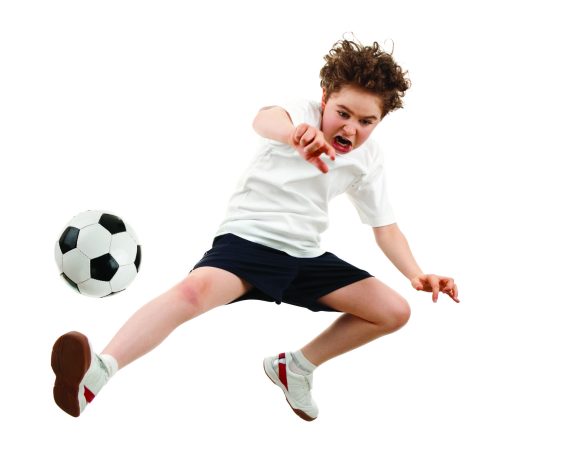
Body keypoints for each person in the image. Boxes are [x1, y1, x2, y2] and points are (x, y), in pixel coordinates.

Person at [51, 39, 460, 422]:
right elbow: (263, 119)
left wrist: (416, 273)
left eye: (366, 121)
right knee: (191, 294)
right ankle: (97, 374)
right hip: (249, 242)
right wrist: (293, 135)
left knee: (393, 311)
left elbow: (385, 227)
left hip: (304, 256)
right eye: (343, 113)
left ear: (380, 120)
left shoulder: (368, 158)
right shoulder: (300, 116)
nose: (351, 129)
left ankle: (295, 367)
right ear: (324, 99)